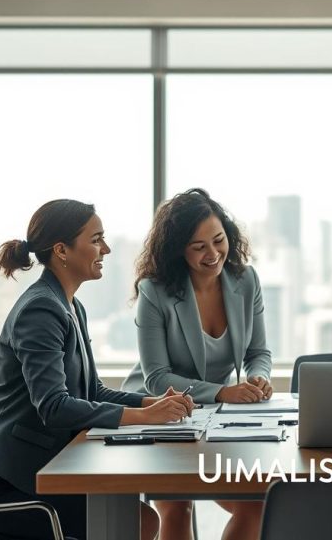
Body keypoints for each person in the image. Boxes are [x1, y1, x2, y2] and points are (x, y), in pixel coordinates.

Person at [0, 199, 194, 540]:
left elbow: (93, 391)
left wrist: (152, 403)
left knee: (139, 520)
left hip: (35, 465)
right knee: (136, 522)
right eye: (96, 239)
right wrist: (147, 418)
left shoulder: (70, 305)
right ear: (62, 250)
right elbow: (54, 406)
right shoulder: (40, 309)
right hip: (4, 480)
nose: (106, 249)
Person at [122, 188, 271, 540]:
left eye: (218, 240)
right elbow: (156, 378)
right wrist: (223, 392)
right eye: (198, 246)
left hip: (217, 419)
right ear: (178, 250)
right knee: (177, 507)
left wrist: (258, 377)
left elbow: (259, 352)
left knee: (257, 505)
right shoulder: (154, 291)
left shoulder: (245, 280)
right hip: (162, 411)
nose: (213, 254)